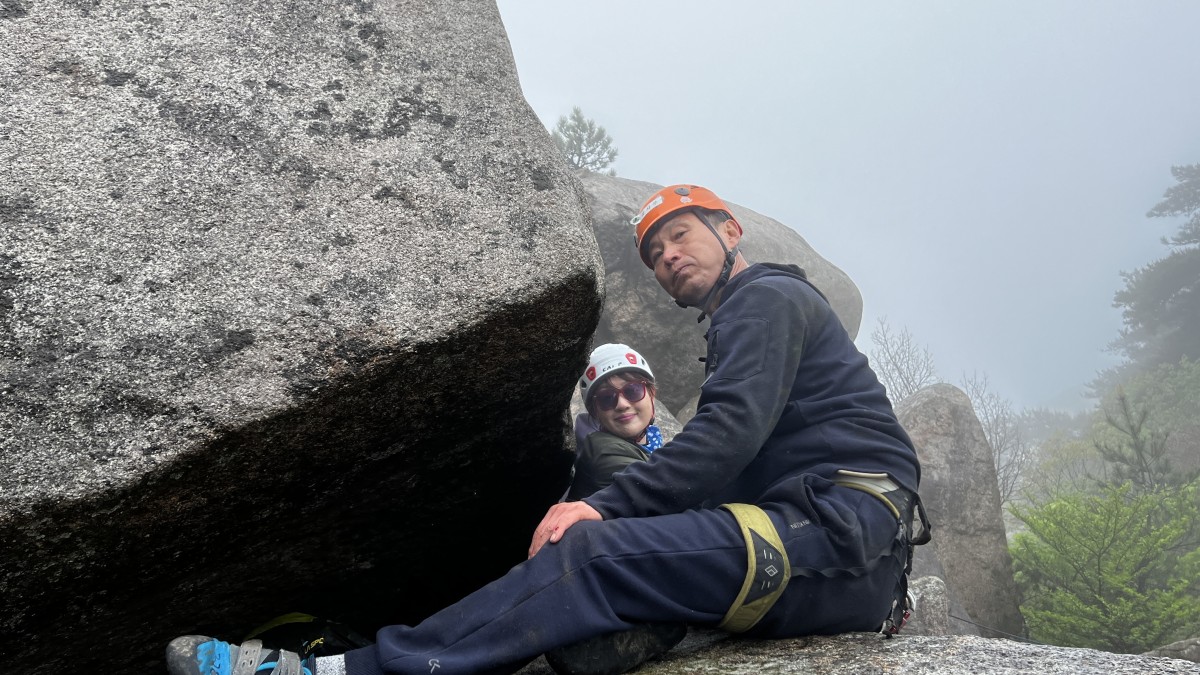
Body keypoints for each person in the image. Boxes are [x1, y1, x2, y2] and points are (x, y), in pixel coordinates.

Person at [167, 183, 928, 675]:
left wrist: (602, 509)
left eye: (680, 236)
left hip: (841, 531)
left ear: (729, 228)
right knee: (612, 582)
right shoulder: (743, 320)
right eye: (654, 255)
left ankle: (341, 671)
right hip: (824, 543)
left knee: (591, 551)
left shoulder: (764, 297)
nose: (667, 258)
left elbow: (728, 437)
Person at [565, 343, 664, 502]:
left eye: (633, 390)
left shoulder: (650, 442)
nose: (622, 404)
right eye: (607, 398)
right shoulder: (604, 453)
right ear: (596, 413)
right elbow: (670, 493)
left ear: (652, 395)